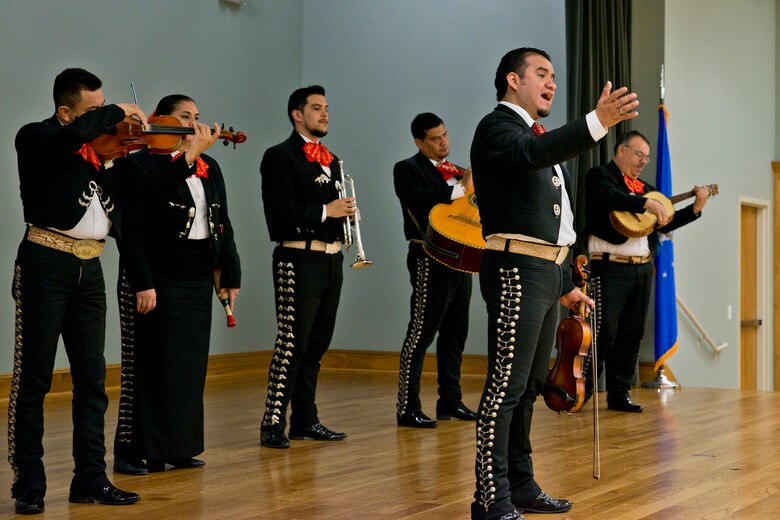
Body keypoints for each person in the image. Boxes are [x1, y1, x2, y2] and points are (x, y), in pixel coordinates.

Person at [469, 48, 638, 520]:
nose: (552, 83)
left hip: (543, 271)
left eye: (555, 76)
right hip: (514, 269)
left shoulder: (534, 136)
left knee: (527, 387)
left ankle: (520, 485)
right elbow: (530, 155)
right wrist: (595, 123)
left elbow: (554, 224)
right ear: (512, 80)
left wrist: (564, 281)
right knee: (505, 386)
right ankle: (489, 497)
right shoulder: (498, 128)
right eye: (541, 74)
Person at [9, 67, 147, 514]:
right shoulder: (36, 137)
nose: (106, 121)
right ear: (66, 112)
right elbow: (67, 141)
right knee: (34, 379)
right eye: (94, 111)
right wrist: (112, 112)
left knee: (92, 380)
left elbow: (125, 211)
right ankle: (29, 482)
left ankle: (90, 478)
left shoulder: (101, 152)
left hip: (92, 267)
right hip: (45, 263)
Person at [112, 95, 241, 474]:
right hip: (156, 276)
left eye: (197, 117)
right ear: (162, 120)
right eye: (184, 117)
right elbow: (131, 229)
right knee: (150, 365)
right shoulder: (139, 163)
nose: (194, 125)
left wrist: (228, 274)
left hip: (196, 276)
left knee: (188, 366)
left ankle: (179, 446)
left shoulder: (210, 166)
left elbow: (222, 223)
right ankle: (133, 451)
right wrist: (142, 282)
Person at [583, 130, 708, 413]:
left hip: (640, 271)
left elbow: (662, 223)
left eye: (647, 157)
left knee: (631, 333)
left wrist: (695, 209)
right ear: (621, 151)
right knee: (603, 332)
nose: (643, 161)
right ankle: (582, 391)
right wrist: (645, 203)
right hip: (608, 267)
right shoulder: (599, 176)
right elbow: (610, 197)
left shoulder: (646, 189)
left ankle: (619, 393)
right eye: (639, 154)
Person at [258, 85, 352, 449]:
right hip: (297, 257)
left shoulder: (332, 159)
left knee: (317, 344)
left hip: (331, 258)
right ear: (297, 114)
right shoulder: (279, 156)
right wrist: (329, 210)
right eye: (316, 108)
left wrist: (345, 218)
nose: (325, 113)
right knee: (292, 343)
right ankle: (272, 423)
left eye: (326, 107)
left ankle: (305, 420)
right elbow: (279, 212)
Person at [393, 112, 477, 428]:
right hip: (428, 255)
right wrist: (462, 188)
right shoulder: (407, 169)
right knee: (421, 332)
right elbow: (420, 200)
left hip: (461, 256)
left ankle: (450, 401)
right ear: (419, 142)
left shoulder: (456, 171)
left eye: (445, 135)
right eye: (435, 138)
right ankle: (407, 406)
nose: (444, 142)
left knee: (456, 333)